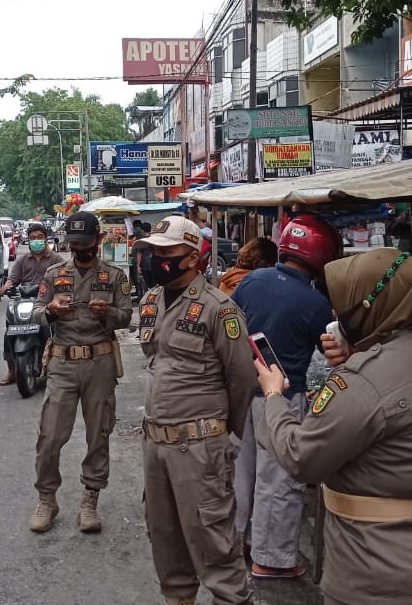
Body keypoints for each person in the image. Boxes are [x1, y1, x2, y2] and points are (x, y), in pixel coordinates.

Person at [258, 248, 412, 605]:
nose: (335, 312)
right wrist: (357, 356)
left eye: (343, 303)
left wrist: (273, 398)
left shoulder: (362, 382)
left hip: (382, 578)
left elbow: (301, 457)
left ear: (371, 306)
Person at [136, 215, 257, 605]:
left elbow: (241, 378)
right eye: (152, 251)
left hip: (199, 447)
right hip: (156, 444)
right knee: (165, 540)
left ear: (191, 257)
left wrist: (218, 432)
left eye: (165, 252)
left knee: (214, 544)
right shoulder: (152, 300)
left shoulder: (219, 309)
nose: (154, 259)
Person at [229, 215, 341, 578]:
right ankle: (270, 559)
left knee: (241, 474)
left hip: (240, 390)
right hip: (281, 398)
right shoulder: (315, 305)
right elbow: (328, 354)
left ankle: (235, 544)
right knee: (277, 480)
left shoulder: (252, 281)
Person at [28, 211, 133, 534]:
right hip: (62, 363)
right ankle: (47, 498)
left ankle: (90, 499)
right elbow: (35, 312)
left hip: (99, 363)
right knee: (49, 436)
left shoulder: (115, 277)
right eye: (74, 244)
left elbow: (127, 317)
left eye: (85, 244)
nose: (80, 250)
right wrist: (50, 311)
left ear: (99, 241)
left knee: (98, 434)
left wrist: (109, 314)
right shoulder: (54, 274)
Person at [0, 221, 58, 386]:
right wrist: (5, 288)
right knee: (10, 329)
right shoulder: (23, 260)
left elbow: (64, 279)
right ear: (28, 239)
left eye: (40, 237)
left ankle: (54, 365)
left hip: (47, 301)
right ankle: (11, 371)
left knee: (51, 327)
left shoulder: (56, 259)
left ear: (46, 239)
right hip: (24, 300)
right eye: (33, 238)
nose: (36, 240)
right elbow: (13, 278)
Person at [135, 222, 154, 293]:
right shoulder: (154, 239)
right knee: (154, 284)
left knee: (146, 284)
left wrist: (138, 266)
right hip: (153, 264)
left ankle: (147, 297)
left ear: (142, 230)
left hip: (145, 265)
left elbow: (139, 254)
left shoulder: (142, 241)